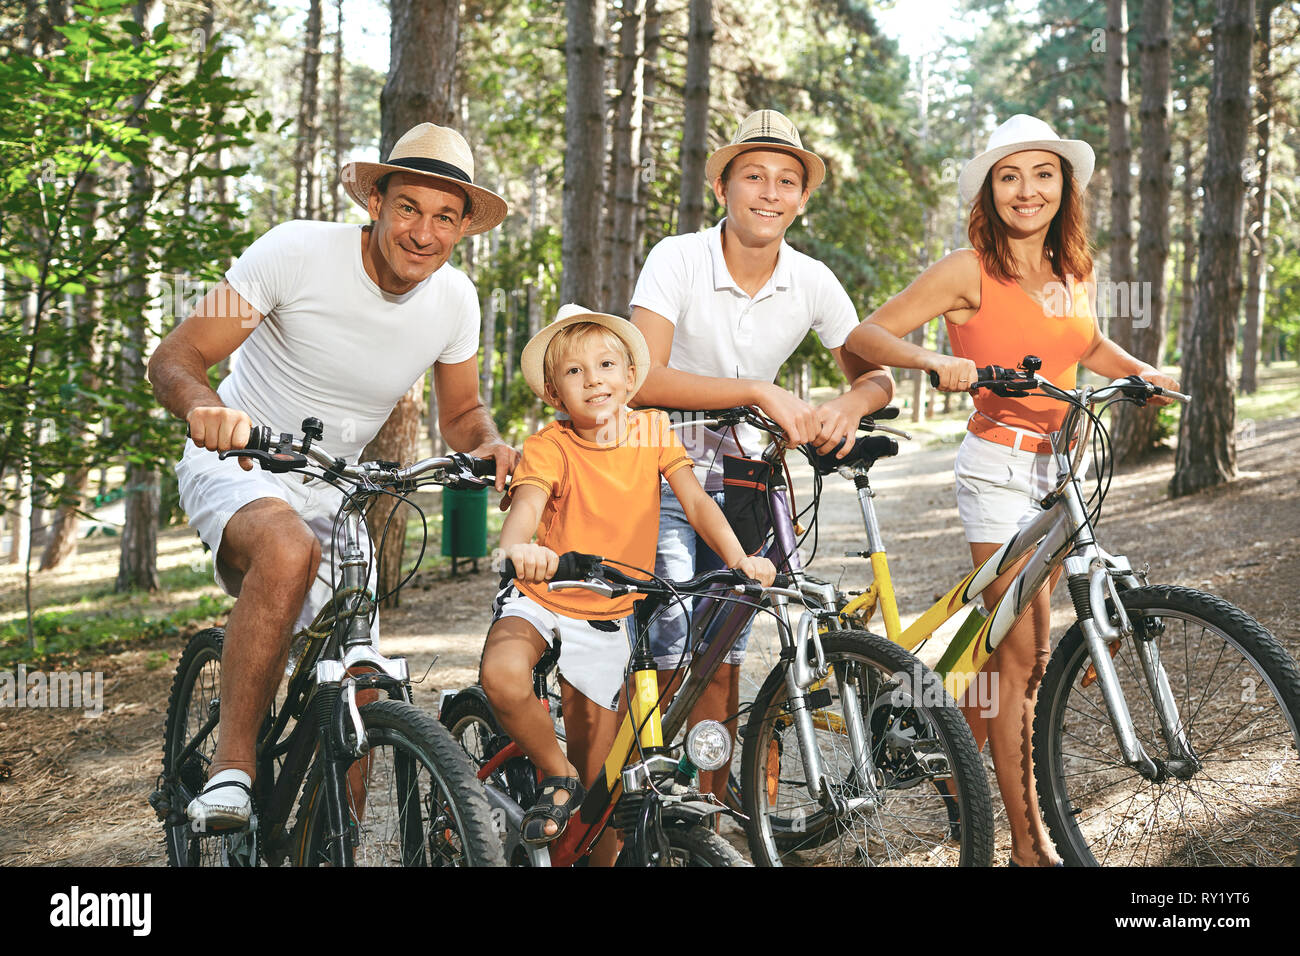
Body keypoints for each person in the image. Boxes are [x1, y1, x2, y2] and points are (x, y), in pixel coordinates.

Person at [148, 122, 517, 831]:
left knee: (363, 691)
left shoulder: (455, 301)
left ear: (465, 227)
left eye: (445, 216)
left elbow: (464, 412)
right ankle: (231, 772)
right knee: (288, 552)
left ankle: (326, 841)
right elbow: (177, 354)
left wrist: (492, 447)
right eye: (409, 206)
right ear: (375, 200)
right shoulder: (292, 251)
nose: (424, 232)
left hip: (336, 487)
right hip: (241, 459)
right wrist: (206, 408)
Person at [846, 113, 1179, 866]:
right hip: (997, 470)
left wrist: (1139, 371)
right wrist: (937, 364)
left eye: (1042, 174)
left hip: (1063, 468)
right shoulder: (967, 271)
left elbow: (1085, 343)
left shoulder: (1076, 270)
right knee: (1025, 658)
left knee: (1012, 658)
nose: (1026, 191)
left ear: (1065, 186)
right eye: (1009, 176)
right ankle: (1027, 846)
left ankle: (955, 745)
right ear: (990, 191)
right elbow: (867, 335)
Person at [628, 109, 894, 801]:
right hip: (664, 466)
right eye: (754, 176)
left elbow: (876, 373)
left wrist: (847, 407)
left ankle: (708, 822)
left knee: (727, 656)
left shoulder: (810, 278)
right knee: (670, 644)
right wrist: (754, 389)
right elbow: (641, 377)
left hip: (751, 477)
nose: (770, 193)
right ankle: (644, 804)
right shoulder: (676, 257)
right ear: (722, 186)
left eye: (786, 181)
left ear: (802, 200)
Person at [481, 305, 775, 858]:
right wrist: (519, 549)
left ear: (630, 378)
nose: (593, 379)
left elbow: (695, 504)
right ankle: (554, 772)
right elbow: (527, 505)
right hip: (544, 596)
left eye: (606, 363)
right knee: (502, 675)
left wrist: (739, 558)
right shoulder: (550, 446)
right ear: (552, 390)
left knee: (605, 806)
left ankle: (584, 807)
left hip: (610, 614)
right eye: (574, 371)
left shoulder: (653, 431)